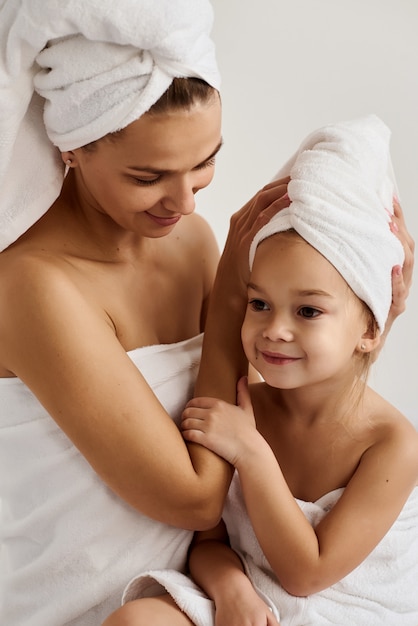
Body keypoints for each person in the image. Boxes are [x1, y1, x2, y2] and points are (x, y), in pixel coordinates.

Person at [0, 2, 413, 625]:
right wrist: (228, 294)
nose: (186, 202)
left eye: (205, 162)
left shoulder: (184, 239)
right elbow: (197, 498)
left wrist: (368, 305)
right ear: (72, 149)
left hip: (196, 580)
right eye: (149, 176)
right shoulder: (31, 286)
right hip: (81, 592)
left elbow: (254, 383)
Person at [103, 116, 418, 626]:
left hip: (342, 607)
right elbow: (207, 544)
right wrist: (232, 591)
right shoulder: (245, 403)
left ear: (370, 329)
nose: (275, 330)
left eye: (308, 311)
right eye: (259, 303)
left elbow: (307, 574)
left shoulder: (391, 444)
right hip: (255, 593)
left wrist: (250, 451)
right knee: (136, 621)